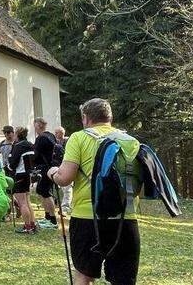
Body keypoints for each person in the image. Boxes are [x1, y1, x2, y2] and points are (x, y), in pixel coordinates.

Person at [47, 98, 142, 285]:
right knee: (124, 280)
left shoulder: (79, 138)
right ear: (110, 117)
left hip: (88, 218)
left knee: (84, 275)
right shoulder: (131, 141)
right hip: (126, 218)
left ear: (85, 117)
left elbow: (65, 177)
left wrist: (52, 173)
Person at [9, 127, 36, 234]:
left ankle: (27, 227)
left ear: (17, 134)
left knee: (22, 203)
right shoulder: (30, 145)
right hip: (28, 175)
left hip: (20, 175)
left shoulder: (18, 146)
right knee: (27, 201)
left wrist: (9, 167)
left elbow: (13, 164)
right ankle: (32, 224)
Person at [33, 118, 58, 229]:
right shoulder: (51, 136)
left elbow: (35, 154)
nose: (34, 128)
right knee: (41, 191)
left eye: (35, 126)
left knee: (46, 192)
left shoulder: (41, 138)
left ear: (38, 125)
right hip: (50, 167)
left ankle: (53, 220)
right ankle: (47, 217)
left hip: (44, 168)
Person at [54, 126, 72, 214]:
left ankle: (66, 206)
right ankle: (58, 202)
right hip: (57, 166)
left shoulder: (68, 140)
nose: (55, 134)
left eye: (57, 132)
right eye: (55, 132)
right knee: (58, 187)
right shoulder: (54, 142)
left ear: (62, 133)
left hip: (67, 165)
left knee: (67, 188)